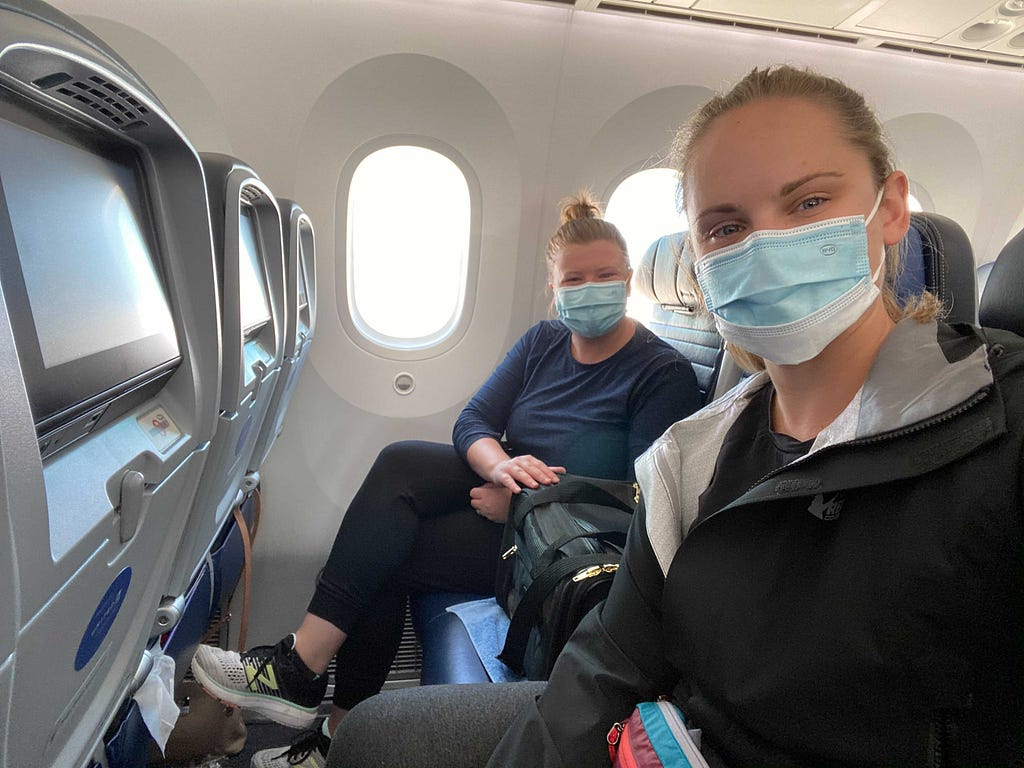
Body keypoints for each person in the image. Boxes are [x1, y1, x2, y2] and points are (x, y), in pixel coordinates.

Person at [325, 65, 1024, 768]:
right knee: (373, 739)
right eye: (726, 227)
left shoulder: (999, 415)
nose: (765, 246)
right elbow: (608, 668)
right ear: (699, 259)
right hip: (675, 741)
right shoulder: (691, 457)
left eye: (809, 202)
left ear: (892, 206)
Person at [189, 191, 702, 768]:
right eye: (574, 279)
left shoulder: (662, 373)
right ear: (553, 288)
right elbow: (475, 421)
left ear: (629, 278)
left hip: (557, 544)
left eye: (605, 275)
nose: (590, 289)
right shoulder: (543, 342)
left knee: (389, 556)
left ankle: (310, 692)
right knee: (401, 460)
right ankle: (311, 692)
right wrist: (500, 467)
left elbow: (636, 502)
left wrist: (522, 508)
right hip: (512, 500)